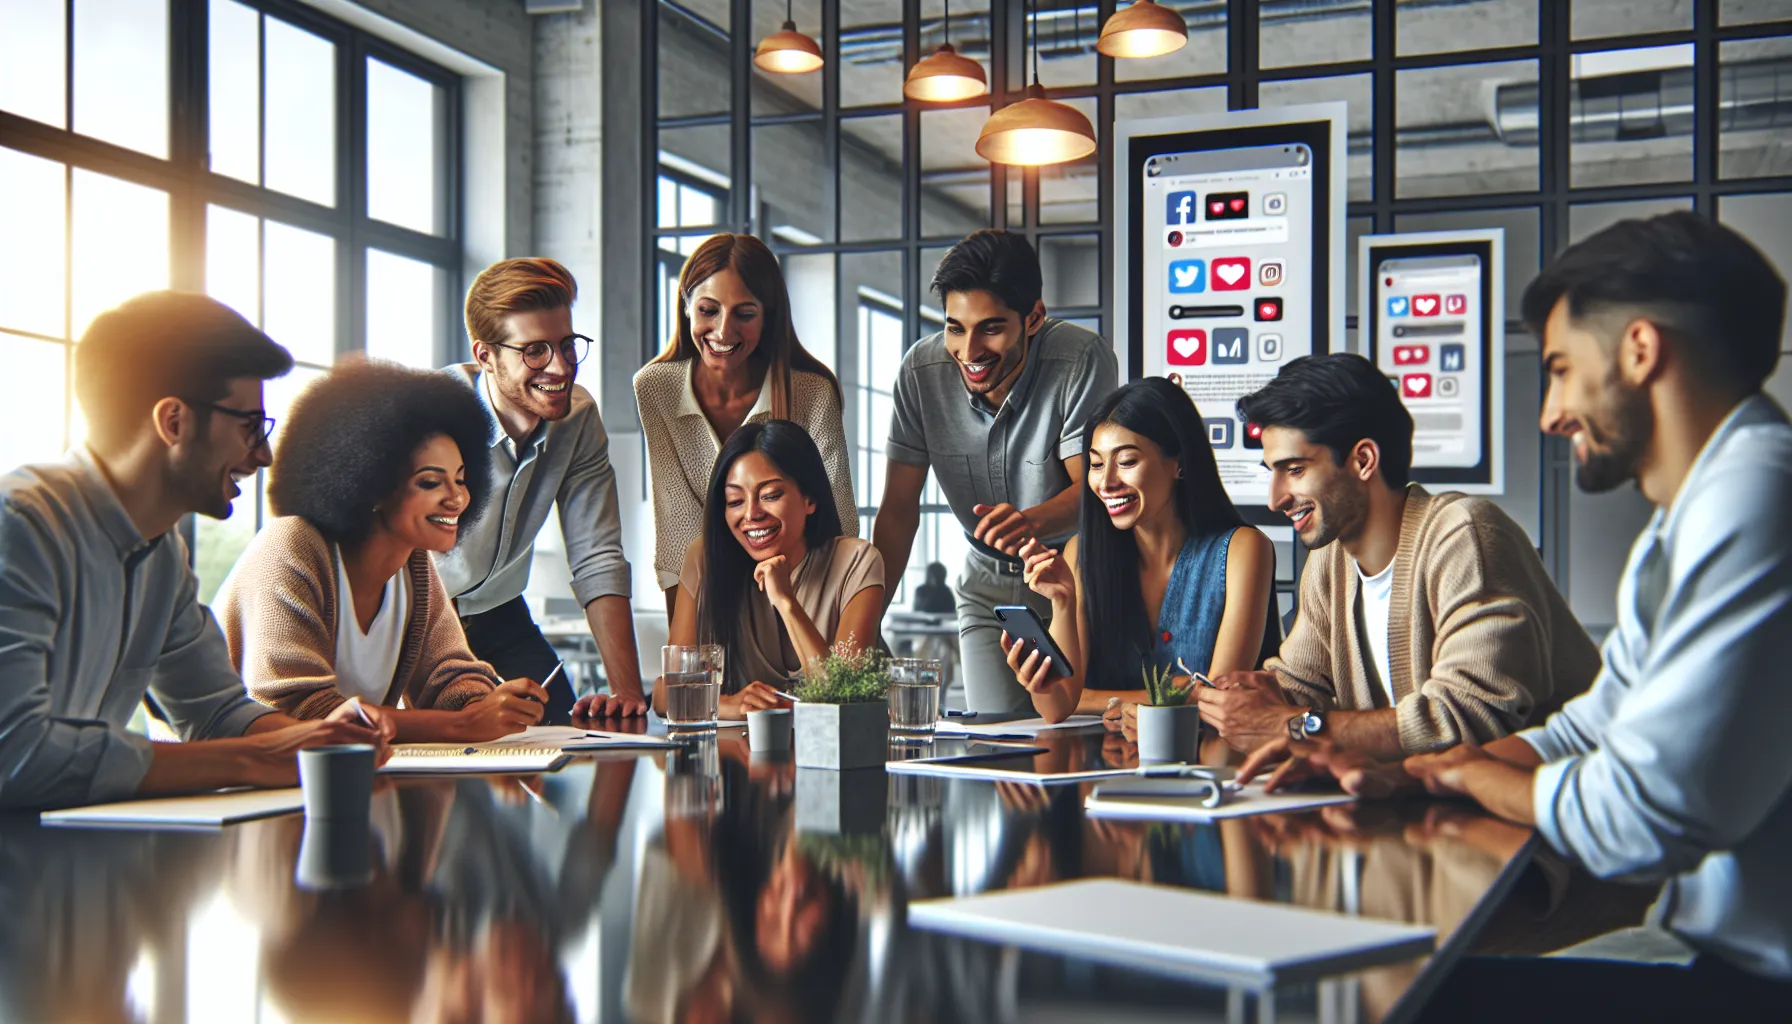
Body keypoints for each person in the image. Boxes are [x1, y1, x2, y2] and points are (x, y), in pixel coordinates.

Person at [1248, 213, 1792, 1021]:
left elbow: (1633, 820)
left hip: (1752, 986)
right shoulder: (1693, 513)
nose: (1551, 413)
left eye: (1563, 369)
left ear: (1641, 351)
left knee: (1374, 999)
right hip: (1720, 962)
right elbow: (1590, 727)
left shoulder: (1754, 496)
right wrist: (1415, 773)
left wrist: (1466, 769)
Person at [0, 291, 392, 810]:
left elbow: (214, 712)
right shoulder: (21, 526)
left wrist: (317, 737)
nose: (265, 454)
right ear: (174, 422)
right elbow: (16, 756)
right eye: (249, 427)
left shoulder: (162, 554)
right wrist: (256, 759)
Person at [1194, 353, 1599, 758]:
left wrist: (1292, 725)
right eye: (1273, 472)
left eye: (1295, 470)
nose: (1275, 499)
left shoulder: (1463, 535)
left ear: (1363, 460)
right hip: (1427, 804)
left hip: (1555, 806)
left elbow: (1469, 718)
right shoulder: (1329, 561)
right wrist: (1258, 695)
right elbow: (1301, 685)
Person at [215, 359, 552, 742]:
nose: (457, 498)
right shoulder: (293, 545)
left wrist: (484, 705)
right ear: (370, 481)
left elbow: (449, 674)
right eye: (430, 482)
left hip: (339, 779)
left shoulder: (415, 566)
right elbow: (297, 709)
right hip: (218, 790)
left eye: (461, 478)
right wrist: (464, 724)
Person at [874, 230, 1118, 712]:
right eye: (955, 328)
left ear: (1033, 317)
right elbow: (899, 510)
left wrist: (1031, 522)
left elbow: (1092, 488)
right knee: (995, 735)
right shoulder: (920, 373)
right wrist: (868, 621)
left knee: (1072, 736)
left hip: (1072, 577)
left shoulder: (1079, 361)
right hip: (985, 586)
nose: (969, 350)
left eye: (990, 328)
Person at [437, 258, 646, 722]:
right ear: (486, 355)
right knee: (457, 757)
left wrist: (627, 692)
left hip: (500, 614)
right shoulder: (433, 413)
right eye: (534, 350)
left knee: (572, 734)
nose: (560, 367)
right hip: (424, 618)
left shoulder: (578, 418)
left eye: (566, 344)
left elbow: (597, 555)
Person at [1000, 378, 1278, 724]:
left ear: (1179, 463)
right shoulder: (1080, 555)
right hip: (1103, 768)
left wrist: (1104, 700)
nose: (1106, 482)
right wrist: (1062, 604)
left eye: (1127, 461)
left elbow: (1218, 700)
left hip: (1206, 766)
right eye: (1097, 464)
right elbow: (1058, 708)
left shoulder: (1242, 549)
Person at [634, 233, 856, 615]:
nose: (722, 332)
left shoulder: (812, 391)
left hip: (807, 596)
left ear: (767, 316)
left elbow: (839, 524)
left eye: (745, 314)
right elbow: (676, 528)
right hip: (715, 602)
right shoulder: (656, 387)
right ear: (686, 307)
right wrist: (687, 650)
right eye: (708, 310)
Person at [639, 420, 884, 721]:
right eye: (735, 501)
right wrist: (729, 704)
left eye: (770, 495)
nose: (752, 514)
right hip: (746, 757)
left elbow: (845, 697)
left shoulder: (858, 562)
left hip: (842, 756)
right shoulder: (704, 558)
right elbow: (664, 694)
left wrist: (786, 602)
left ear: (810, 499)